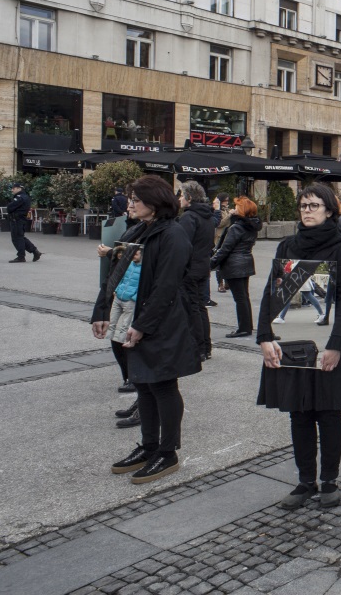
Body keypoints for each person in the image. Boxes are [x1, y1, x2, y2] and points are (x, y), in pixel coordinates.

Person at [257, 183, 341, 510]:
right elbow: (272, 293)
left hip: (330, 338)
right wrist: (264, 337)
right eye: (303, 206)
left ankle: (329, 481)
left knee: (327, 410)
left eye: (313, 205)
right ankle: (305, 481)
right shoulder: (287, 245)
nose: (307, 211)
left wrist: (336, 344)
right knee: (298, 412)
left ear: (329, 210)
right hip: (293, 337)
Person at [93, 176, 201, 485]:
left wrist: (141, 325)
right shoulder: (137, 231)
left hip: (164, 323)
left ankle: (168, 452)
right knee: (143, 384)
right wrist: (100, 311)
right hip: (140, 319)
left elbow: (166, 287)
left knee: (163, 386)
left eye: (136, 200)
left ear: (153, 203)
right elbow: (114, 274)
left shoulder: (173, 235)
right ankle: (149, 445)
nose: (131, 204)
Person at [176, 181, 215, 360]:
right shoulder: (206, 216)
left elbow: (182, 245)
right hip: (202, 266)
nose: (179, 198)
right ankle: (205, 346)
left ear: (189, 197)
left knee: (192, 308)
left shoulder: (189, 217)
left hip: (190, 269)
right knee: (199, 307)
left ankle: (198, 348)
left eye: (181, 194)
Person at [212, 197, 261, 338]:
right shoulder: (252, 226)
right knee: (244, 297)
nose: (234, 209)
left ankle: (244, 328)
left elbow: (225, 249)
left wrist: (211, 264)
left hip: (234, 264)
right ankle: (247, 326)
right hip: (245, 262)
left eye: (237, 207)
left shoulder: (237, 227)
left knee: (240, 298)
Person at [107, 246, 143, 427]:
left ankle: (142, 407)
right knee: (114, 335)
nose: (133, 254)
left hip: (132, 302)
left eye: (136, 252)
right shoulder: (129, 263)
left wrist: (135, 297)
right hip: (121, 297)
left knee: (123, 338)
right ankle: (140, 403)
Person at [6, 182, 41, 263]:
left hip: (17, 220)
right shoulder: (25, 197)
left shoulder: (19, 197)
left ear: (19, 188)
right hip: (20, 220)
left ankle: (21, 256)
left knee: (17, 238)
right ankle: (35, 251)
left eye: (13, 188)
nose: (12, 190)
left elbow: (9, 208)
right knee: (20, 237)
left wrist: (10, 207)